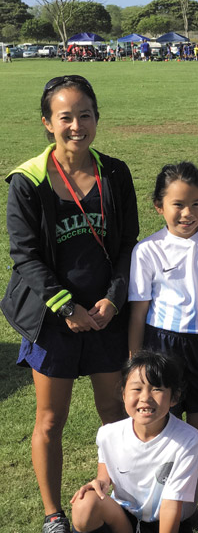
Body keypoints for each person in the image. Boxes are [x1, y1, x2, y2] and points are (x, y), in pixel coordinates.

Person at [1, 74, 138, 533]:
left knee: (114, 414)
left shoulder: (114, 172)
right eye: (65, 117)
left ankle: (117, 497)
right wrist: (67, 308)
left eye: (85, 115)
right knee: (50, 419)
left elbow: (128, 245)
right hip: (52, 319)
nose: (76, 125)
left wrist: (112, 301)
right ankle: (52, 513)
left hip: (104, 318)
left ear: (97, 118)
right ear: (47, 123)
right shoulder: (27, 179)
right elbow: (24, 255)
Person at [128, 162, 198, 440]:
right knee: (162, 425)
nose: (188, 213)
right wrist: (136, 363)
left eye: (197, 204)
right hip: (160, 346)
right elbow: (138, 312)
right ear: (159, 206)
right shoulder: (148, 250)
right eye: (178, 204)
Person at [70, 351, 198, 533]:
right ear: (123, 394)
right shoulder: (108, 434)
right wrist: (101, 482)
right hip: (124, 516)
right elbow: (104, 474)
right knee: (84, 504)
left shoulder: (189, 440)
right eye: (137, 388)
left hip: (167, 521)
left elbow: (171, 505)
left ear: (174, 397)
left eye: (156, 389)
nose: (145, 397)